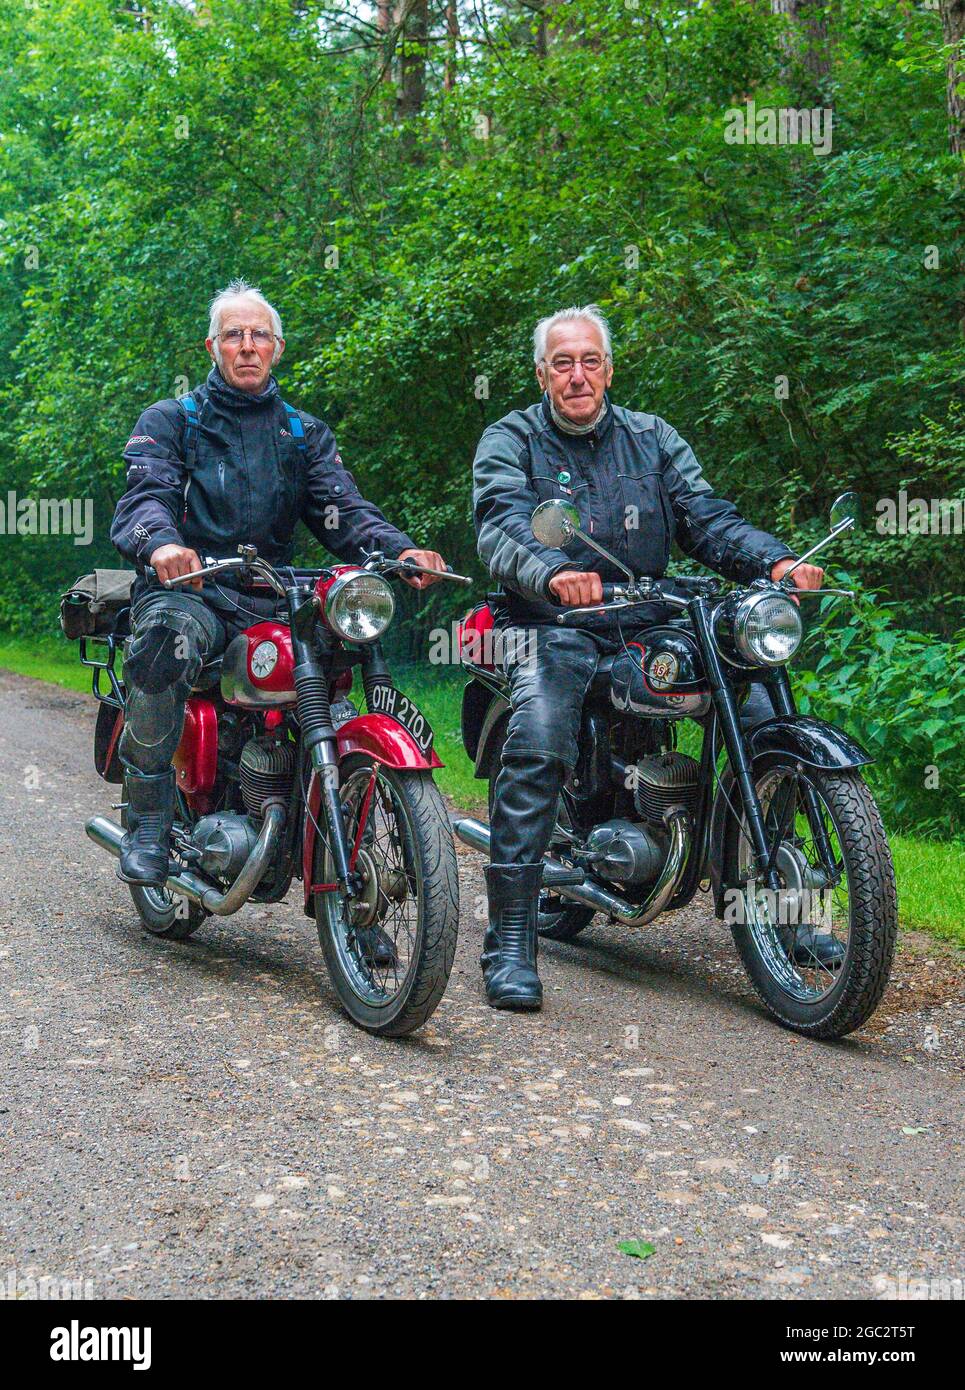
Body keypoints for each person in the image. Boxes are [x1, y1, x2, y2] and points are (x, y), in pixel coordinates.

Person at [472, 304, 830, 1011]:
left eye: (590, 361)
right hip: (551, 620)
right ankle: (510, 939)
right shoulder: (510, 438)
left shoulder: (650, 437)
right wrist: (549, 570)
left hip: (649, 613)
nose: (578, 375)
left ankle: (779, 909)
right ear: (542, 372)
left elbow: (704, 517)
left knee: (755, 702)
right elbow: (498, 523)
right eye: (563, 362)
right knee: (541, 732)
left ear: (608, 367)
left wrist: (775, 561)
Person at [111, 278, 446, 890]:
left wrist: (399, 551)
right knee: (163, 646)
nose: (246, 346)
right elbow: (145, 497)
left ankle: (348, 856)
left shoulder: (301, 433)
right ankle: (148, 818)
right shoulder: (172, 421)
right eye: (233, 335)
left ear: (277, 348)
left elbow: (342, 511)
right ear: (211, 346)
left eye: (257, 335)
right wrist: (163, 545)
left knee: (337, 678)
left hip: (277, 592)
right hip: (195, 589)